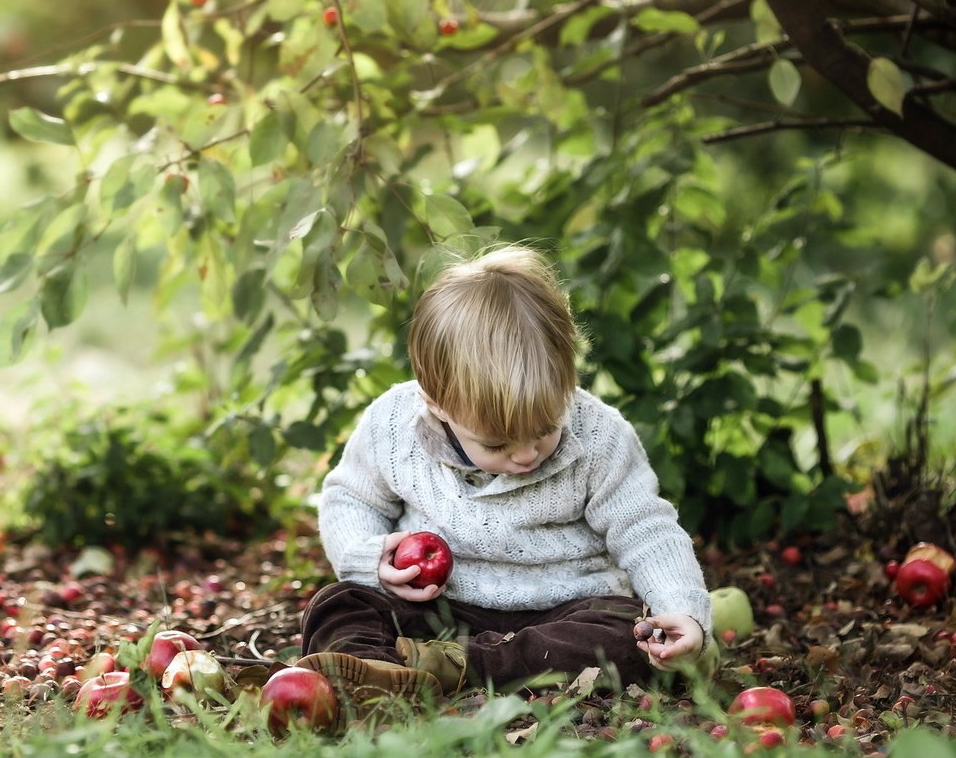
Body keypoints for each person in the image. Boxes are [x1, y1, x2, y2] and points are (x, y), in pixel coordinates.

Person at [296, 244, 710, 700]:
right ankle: (369, 670)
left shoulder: (601, 437)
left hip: (562, 612)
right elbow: (352, 499)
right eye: (496, 444)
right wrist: (371, 558)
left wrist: (683, 612)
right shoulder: (394, 425)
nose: (526, 456)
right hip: (439, 606)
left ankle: (441, 667)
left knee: (628, 638)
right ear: (435, 402)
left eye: (545, 430)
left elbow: (646, 530)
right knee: (339, 605)